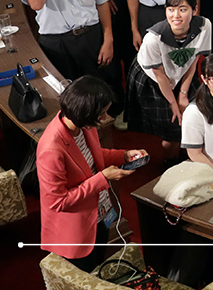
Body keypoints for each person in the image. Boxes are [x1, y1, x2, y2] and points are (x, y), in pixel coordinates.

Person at [37, 76, 147, 272]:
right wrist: (103, 179)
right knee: (84, 285)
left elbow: (92, 155)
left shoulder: (82, 125)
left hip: (100, 214)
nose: (106, 118)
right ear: (85, 113)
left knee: (98, 268)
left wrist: (123, 155)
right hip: (76, 230)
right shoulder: (51, 150)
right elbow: (58, 202)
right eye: (102, 113)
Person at [126, 0, 212, 160]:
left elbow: (193, 59)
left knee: (194, 116)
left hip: (184, 73)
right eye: (171, 9)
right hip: (153, 79)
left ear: (194, 10)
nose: (176, 16)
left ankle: (187, 152)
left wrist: (183, 93)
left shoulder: (204, 26)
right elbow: (160, 75)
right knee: (172, 127)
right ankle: (170, 163)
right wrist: (173, 102)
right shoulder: (153, 39)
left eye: (183, 9)